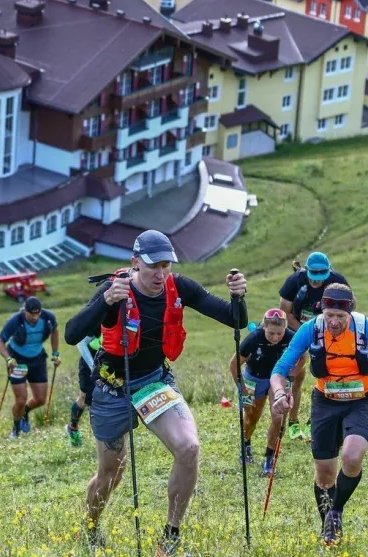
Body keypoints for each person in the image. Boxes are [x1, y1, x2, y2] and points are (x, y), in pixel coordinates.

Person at [64, 229, 248, 555]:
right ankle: (90, 527)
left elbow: (235, 320)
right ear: (135, 263)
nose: (160, 274)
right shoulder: (115, 290)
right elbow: (71, 333)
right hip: (111, 389)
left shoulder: (180, 287)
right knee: (110, 474)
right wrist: (106, 300)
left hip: (153, 381)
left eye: (166, 265)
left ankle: (170, 538)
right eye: (153, 266)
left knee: (189, 448)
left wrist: (238, 296)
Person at [270, 283, 368, 547]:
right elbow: (280, 369)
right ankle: (328, 528)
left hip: (361, 401)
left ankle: (336, 511)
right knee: (324, 475)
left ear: (350, 313)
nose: (333, 322)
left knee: (352, 457)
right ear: (322, 310)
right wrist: (278, 394)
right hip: (325, 402)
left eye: (340, 317)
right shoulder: (312, 329)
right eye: (329, 315)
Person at [278, 252, 349, 441]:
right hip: (298, 328)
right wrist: (306, 332)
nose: (316, 281)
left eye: (321, 276)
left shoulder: (337, 281)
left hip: (328, 331)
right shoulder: (294, 281)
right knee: (296, 377)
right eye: (313, 276)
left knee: (328, 372)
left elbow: (349, 309)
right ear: (306, 271)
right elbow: (285, 312)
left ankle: (315, 420)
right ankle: (293, 421)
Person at [227, 308, 295, 476]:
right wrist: (241, 386)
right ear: (264, 327)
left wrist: (292, 374)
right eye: (271, 333)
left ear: (285, 328)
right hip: (252, 379)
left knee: (278, 417)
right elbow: (234, 364)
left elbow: (302, 357)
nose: (275, 338)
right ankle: (246, 443)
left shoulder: (291, 337)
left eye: (279, 334)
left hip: (276, 378)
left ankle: (269, 459)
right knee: (251, 418)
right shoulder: (253, 338)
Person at [0, 296, 61, 438]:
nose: (35, 317)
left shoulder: (48, 318)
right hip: (18, 360)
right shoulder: (16, 320)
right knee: (21, 399)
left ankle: (24, 412)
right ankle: (16, 429)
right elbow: (0, 342)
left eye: (38, 313)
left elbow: (55, 331)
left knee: (41, 399)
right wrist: (9, 358)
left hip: (38, 359)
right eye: (32, 314)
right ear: (25, 311)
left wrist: (55, 353)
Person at [65, 334, 101, 447]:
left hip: (109, 357)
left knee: (104, 399)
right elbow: (81, 342)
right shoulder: (101, 319)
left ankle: (106, 439)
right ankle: (72, 428)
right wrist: (92, 366)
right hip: (90, 358)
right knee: (85, 399)